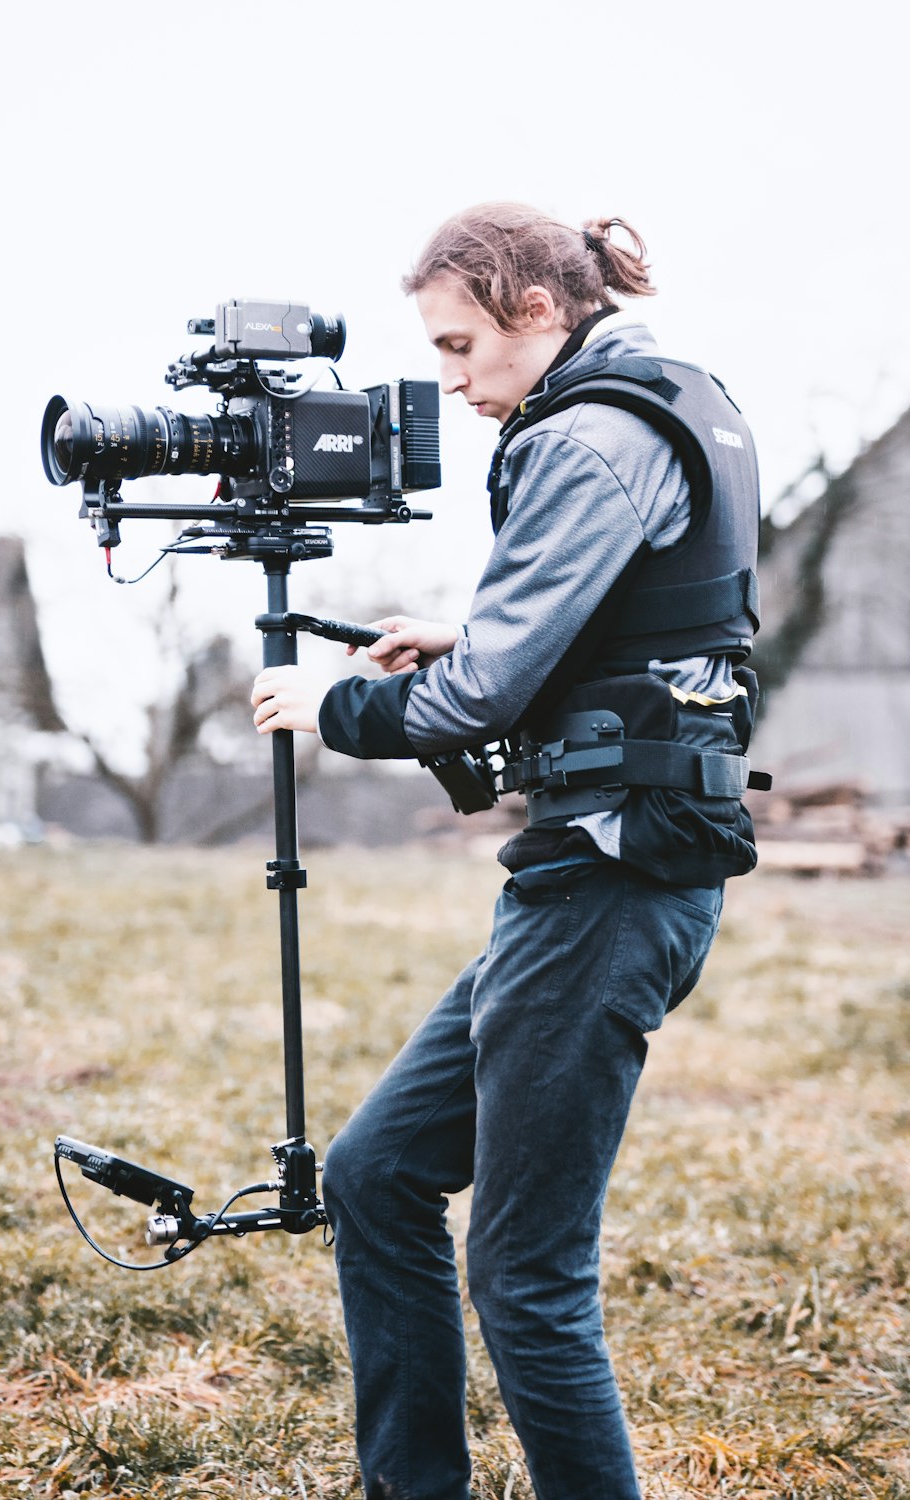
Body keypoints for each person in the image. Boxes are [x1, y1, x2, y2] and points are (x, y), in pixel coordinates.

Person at [251, 202, 764, 1500]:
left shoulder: (584, 440)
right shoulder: (657, 403)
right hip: (604, 878)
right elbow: (618, 637)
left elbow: (477, 703)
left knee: (528, 1278)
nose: (450, 380)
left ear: (537, 310)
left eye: (459, 346)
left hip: (611, 886)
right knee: (374, 1175)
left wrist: (336, 708)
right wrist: (460, 634)